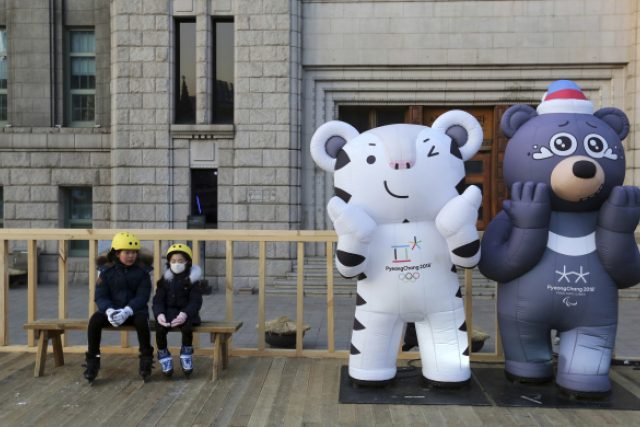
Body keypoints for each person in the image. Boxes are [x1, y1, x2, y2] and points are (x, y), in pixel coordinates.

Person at [83, 232, 154, 383]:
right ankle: (92, 360)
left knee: (143, 322)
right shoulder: (106, 272)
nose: (131, 256)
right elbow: (100, 295)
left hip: (134, 312)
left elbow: (142, 296)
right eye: (127, 252)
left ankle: (146, 359)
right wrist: (108, 310)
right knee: (95, 321)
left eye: (134, 252)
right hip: (113, 312)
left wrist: (128, 310)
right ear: (117, 253)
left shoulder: (142, 272)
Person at [153, 243, 203, 377]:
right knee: (160, 328)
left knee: (187, 328)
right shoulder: (164, 281)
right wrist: (159, 314)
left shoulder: (193, 281)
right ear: (169, 263)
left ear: (188, 262)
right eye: (173, 261)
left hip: (187, 314)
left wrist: (185, 314)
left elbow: (196, 301)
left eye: (180, 261)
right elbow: (158, 300)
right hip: (168, 313)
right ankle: (163, 354)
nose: (177, 264)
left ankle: (186, 353)